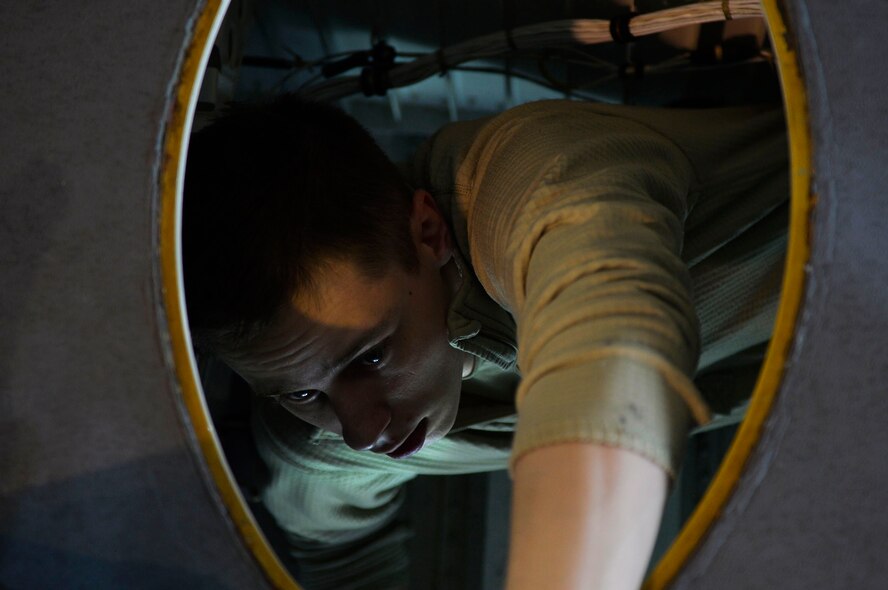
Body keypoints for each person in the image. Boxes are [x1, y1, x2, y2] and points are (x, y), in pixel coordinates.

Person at [183, 96, 788, 589]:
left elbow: (612, 358)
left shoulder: (535, 176)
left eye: (372, 356)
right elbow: (345, 556)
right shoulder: (320, 439)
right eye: (301, 393)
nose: (361, 431)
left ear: (428, 232)